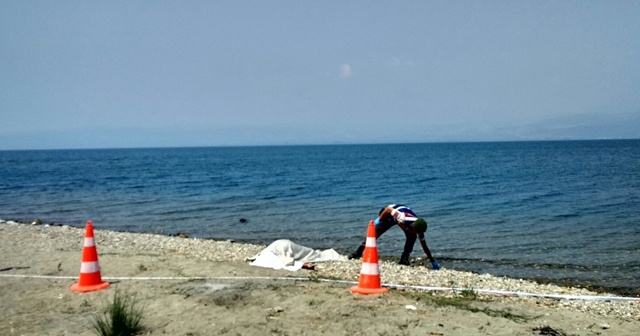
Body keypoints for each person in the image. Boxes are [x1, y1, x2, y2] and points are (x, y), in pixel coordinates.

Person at [349, 204, 441, 270]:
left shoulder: (418, 230)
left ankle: (404, 259)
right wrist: (379, 220)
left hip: (402, 221)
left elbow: (424, 246)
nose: (417, 234)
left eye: (418, 233)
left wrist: (432, 261)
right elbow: (388, 209)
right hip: (390, 214)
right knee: (375, 234)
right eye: (415, 232)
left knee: (411, 238)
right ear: (412, 226)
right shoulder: (402, 217)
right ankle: (358, 252)